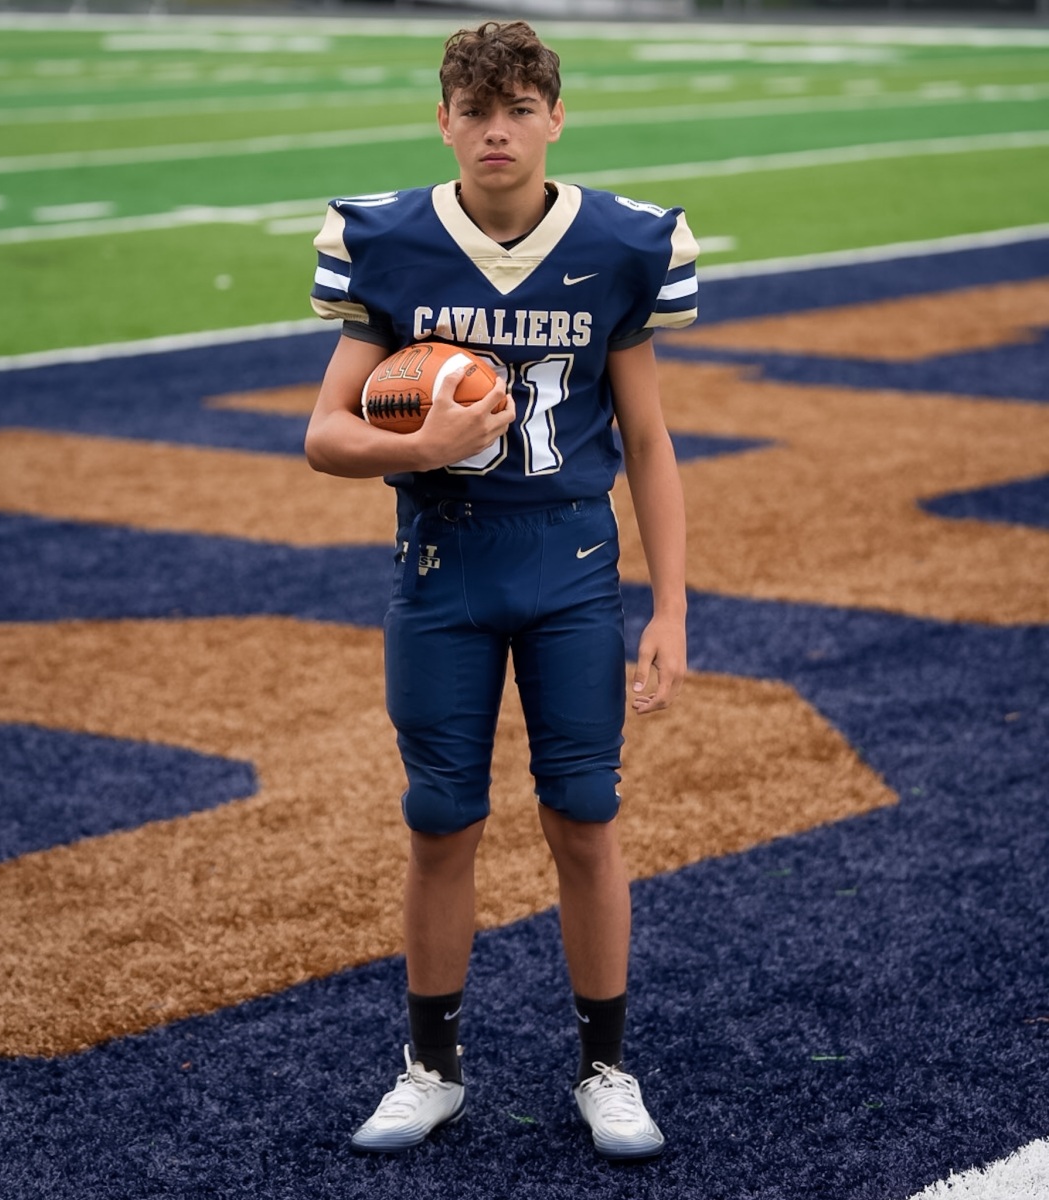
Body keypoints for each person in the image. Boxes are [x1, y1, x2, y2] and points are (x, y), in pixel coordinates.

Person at [304, 20, 698, 1161]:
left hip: (572, 566)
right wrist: (420, 444)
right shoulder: (390, 240)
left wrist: (671, 607)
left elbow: (649, 440)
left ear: (555, 119)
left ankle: (605, 1065)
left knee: (585, 813)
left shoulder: (620, 243)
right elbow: (325, 434)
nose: (497, 131)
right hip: (444, 566)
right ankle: (431, 1067)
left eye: (519, 108)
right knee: (440, 820)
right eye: (475, 110)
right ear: (443, 121)